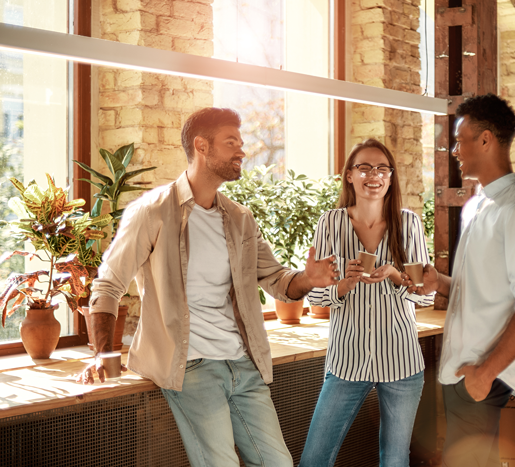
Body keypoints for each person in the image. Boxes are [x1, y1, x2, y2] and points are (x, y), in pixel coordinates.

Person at [78, 107, 339, 467]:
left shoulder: (240, 219)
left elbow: (276, 279)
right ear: (201, 146)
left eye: (242, 142)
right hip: (192, 368)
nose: (242, 151)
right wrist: (104, 355)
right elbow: (108, 285)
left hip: (244, 365)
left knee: (278, 463)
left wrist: (309, 280)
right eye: (231, 142)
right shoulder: (152, 211)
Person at [403, 94, 515, 467]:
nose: (454, 150)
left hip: (481, 373)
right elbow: (483, 290)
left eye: (459, 139)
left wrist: (485, 374)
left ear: (485, 140)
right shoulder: (478, 205)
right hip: (463, 370)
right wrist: (441, 283)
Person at [299, 138, 434, 467]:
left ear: (390, 177)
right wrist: (342, 285)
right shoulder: (330, 224)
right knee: (314, 459)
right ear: (349, 175)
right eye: (364, 167)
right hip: (347, 360)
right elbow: (314, 292)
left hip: (401, 362)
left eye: (382, 168)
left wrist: (394, 275)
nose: (374, 175)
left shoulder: (409, 224)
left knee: (395, 461)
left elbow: (424, 292)